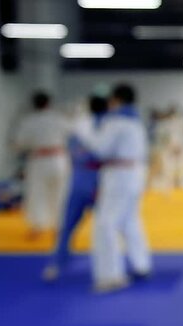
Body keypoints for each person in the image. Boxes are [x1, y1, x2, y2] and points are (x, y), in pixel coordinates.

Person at [75, 84, 152, 293]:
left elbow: (101, 149)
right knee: (129, 220)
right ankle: (141, 263)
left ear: (116, 100)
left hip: (118, 174)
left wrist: (83, 128)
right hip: (135, 173)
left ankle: (110, 275)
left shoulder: (115, 121)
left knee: (105, 224)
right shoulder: (135, 121)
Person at [41, 96, 107, 283]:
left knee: (68, 225)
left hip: (78, 179)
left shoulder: (77, 128)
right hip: (98, 181)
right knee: (105, 227)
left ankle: (57, 263)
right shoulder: (108, 127)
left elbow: (72, 150)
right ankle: (108, 267)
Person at [14, 92, 71, 240]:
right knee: (60, 192)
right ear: (49, 103)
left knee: (37, 194)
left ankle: (38, 226)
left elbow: (21, 143)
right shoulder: (59, 119)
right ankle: (60, 226)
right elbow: (71, 134)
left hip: (39, 160)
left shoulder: (28, 121)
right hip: (59, 158)